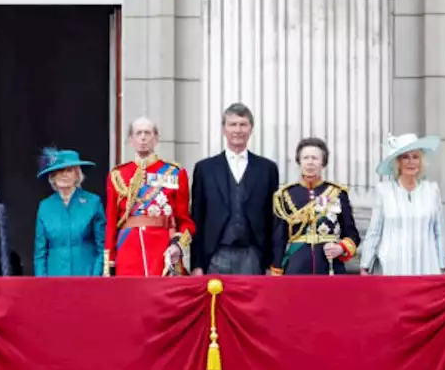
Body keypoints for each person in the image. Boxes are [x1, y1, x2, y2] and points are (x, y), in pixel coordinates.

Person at [190, 103, 280, 276]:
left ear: (251, 129)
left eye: (243, 124)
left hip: (254, 255)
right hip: (215, 254)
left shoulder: (267, 168)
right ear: (224, 129)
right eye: (232, 124)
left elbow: (273, 220)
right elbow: (197, 218)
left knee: (253, 303)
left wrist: (272, 263)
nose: (238, 130)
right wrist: (197, 264)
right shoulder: (205, 168)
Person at [104, 118, 194, 277]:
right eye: (138, 133)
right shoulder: (118, 174)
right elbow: (111, 222)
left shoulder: (175, 172)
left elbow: (184, 220)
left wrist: (177, 246)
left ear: (156, 138)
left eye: (148, 133)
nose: (143, 138)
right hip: (128, 250)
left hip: (162, 249)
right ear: (131, 139)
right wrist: (109, 261)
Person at [359, 133, 445, 275]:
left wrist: (443, 265)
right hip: (392, 265)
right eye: (405, 157)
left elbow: (438, 232)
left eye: (415, 157)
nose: (411, 162)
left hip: (426, 264)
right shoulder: (384, 191)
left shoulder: (432, 190)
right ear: (397, 162)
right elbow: (375, 231)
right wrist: (365, 265)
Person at [271, 137, 360, 275]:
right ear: (299, 162)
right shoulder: (285, 195)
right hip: (297, 265)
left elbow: (352, 234)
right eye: (306, 158)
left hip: (330, 266)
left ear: (323, 163)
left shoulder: (337, 193)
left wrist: (340, 248)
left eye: (315, 158)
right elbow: (279, 239)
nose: (310, 162)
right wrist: (277, 270)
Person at [33, 148, 104, 277]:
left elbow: (102, 248)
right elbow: (40, 253)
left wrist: (95, 278)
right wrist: (41, 283)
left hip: (85, 276)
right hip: (54, 278)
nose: (64, 174)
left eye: (69, 170)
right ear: (52, 176)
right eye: (59, 170)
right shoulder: (45, 206)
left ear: (78, 175)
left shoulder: (93, 202)